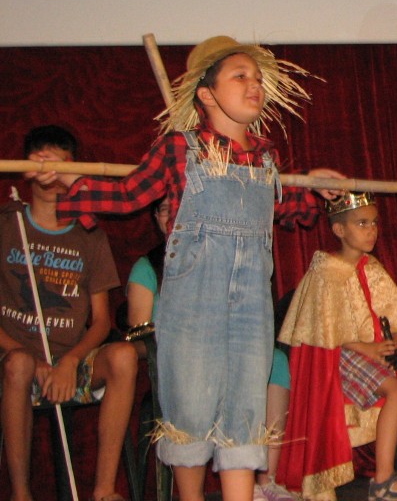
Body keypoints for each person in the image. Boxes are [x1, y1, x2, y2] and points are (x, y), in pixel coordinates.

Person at [51, 36, 345, 501]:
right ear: (206, 94)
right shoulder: (179, 150)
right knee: (189, 416)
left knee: (243, 419)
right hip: (191, 310)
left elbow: (289, 208)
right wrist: (73, 185)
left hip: (250, 313)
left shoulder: (266, 158)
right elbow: (128, 195)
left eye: (257, 77)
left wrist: (316, 187)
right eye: (239, 76)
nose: (254, 85)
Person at [277, 191, 397, 501]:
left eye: (374, 223)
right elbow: (321, 326)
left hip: (376, 349)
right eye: (362, 224)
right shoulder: (325, 271)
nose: (372, 231)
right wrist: (366, 348)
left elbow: (387, 315)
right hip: (344, 354)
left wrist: (393, 338)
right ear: (339, 229)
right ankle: (383, 480)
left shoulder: (372, 267)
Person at [126, 198, 298, 500]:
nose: (173, 214)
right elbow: (141, 327)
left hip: (227, 348)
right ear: (155, 217)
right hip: (181, 354)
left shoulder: (221, 255)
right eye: (165, 209)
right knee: (196, 378)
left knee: (275, 360)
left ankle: (264, 481)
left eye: (179, 206)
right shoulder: (150, 265)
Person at [0, 125, 138, 501]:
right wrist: (29, 358)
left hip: (71, 362)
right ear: (27, 169)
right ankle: (21, 494)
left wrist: (71, 361)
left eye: (61, 164)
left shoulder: (88, 234)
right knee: (18, 365)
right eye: (42, 163)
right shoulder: (7, 223)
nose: (51, 173)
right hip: (13, 362)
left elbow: (101, 321)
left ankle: (104, 490)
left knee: (124, 356)